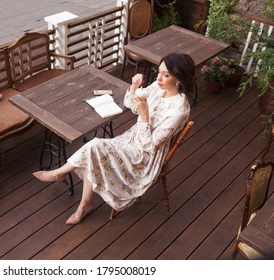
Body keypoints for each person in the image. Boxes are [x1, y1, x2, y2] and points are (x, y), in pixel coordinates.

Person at [33, 52, 196, 225]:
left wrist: (145, 115)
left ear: (179, 78)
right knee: (94, 149)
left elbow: (150, 145)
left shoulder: (179, 109)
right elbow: (131, 104)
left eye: (166, 75)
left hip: (146, 156)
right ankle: (84, 203)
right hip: (132, 138)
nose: (159, 78)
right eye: (159, 72)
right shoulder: (158, 87)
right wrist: (134, 87)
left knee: (94, 146)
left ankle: (60, 174)